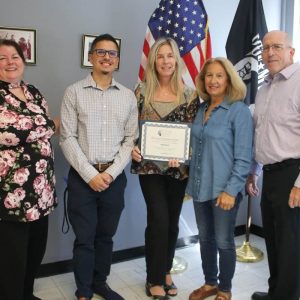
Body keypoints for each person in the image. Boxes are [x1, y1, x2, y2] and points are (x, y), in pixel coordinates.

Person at [60, 33, 138, 300]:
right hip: (82, 179)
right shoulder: (73, 92)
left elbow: (130, 140)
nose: (107, 57)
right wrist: (91, 175)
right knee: (85, 238)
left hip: (114, 179)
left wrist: (110, 173)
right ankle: (83, 290)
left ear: (117, 60)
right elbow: (67, 137)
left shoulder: (128, 97)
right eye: (101, 52)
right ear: (90, 57)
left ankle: (99, 283)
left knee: (105, 236)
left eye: (112, 53)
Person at [131, 37, 199, 300]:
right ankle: (154, 278)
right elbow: (129, 129)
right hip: (149, 168)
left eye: (170, 56)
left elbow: (196, 134)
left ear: (177, 60)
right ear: (153, 61)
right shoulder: (141, 92)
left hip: (178, 169)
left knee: (171, 224)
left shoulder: (190, 94)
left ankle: (166, 270)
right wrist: (132, 148)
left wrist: (185, 155)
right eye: (160, 56)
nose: (166, 61)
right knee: (158, 220)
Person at [186, 57, 253, 300]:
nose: (213, 81)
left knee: (224, 241)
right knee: (205, 239)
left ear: (228, 80)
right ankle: (209, 283)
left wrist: (231, 190)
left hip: (224, 190)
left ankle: (225, 289)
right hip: (200, 187)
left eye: (219, 76)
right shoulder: (202, 109)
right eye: (208, 76)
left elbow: (244, 157)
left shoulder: (239, 110)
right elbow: (195, 148)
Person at [0, 39, 59, 300]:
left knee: (36, 251)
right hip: (11, 194)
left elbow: (36, 127)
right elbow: (10, 131)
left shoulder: (33, 91)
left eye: (14, 56)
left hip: (41, 192)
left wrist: (43, 126)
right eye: (1, 58)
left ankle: (26, 294)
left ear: (23, 61)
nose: (10, 62)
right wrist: (49, 125)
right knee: (12, 258)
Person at [246, 30, 300, 300]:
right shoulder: (265, 88)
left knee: (291, 245)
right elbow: (261, 135)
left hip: (293, 175)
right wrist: (254, 172)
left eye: (277, 47)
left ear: (291, 51)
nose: (270, 53)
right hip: (269, 174)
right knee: (275, 241)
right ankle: (276, 292)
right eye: (266, 47)